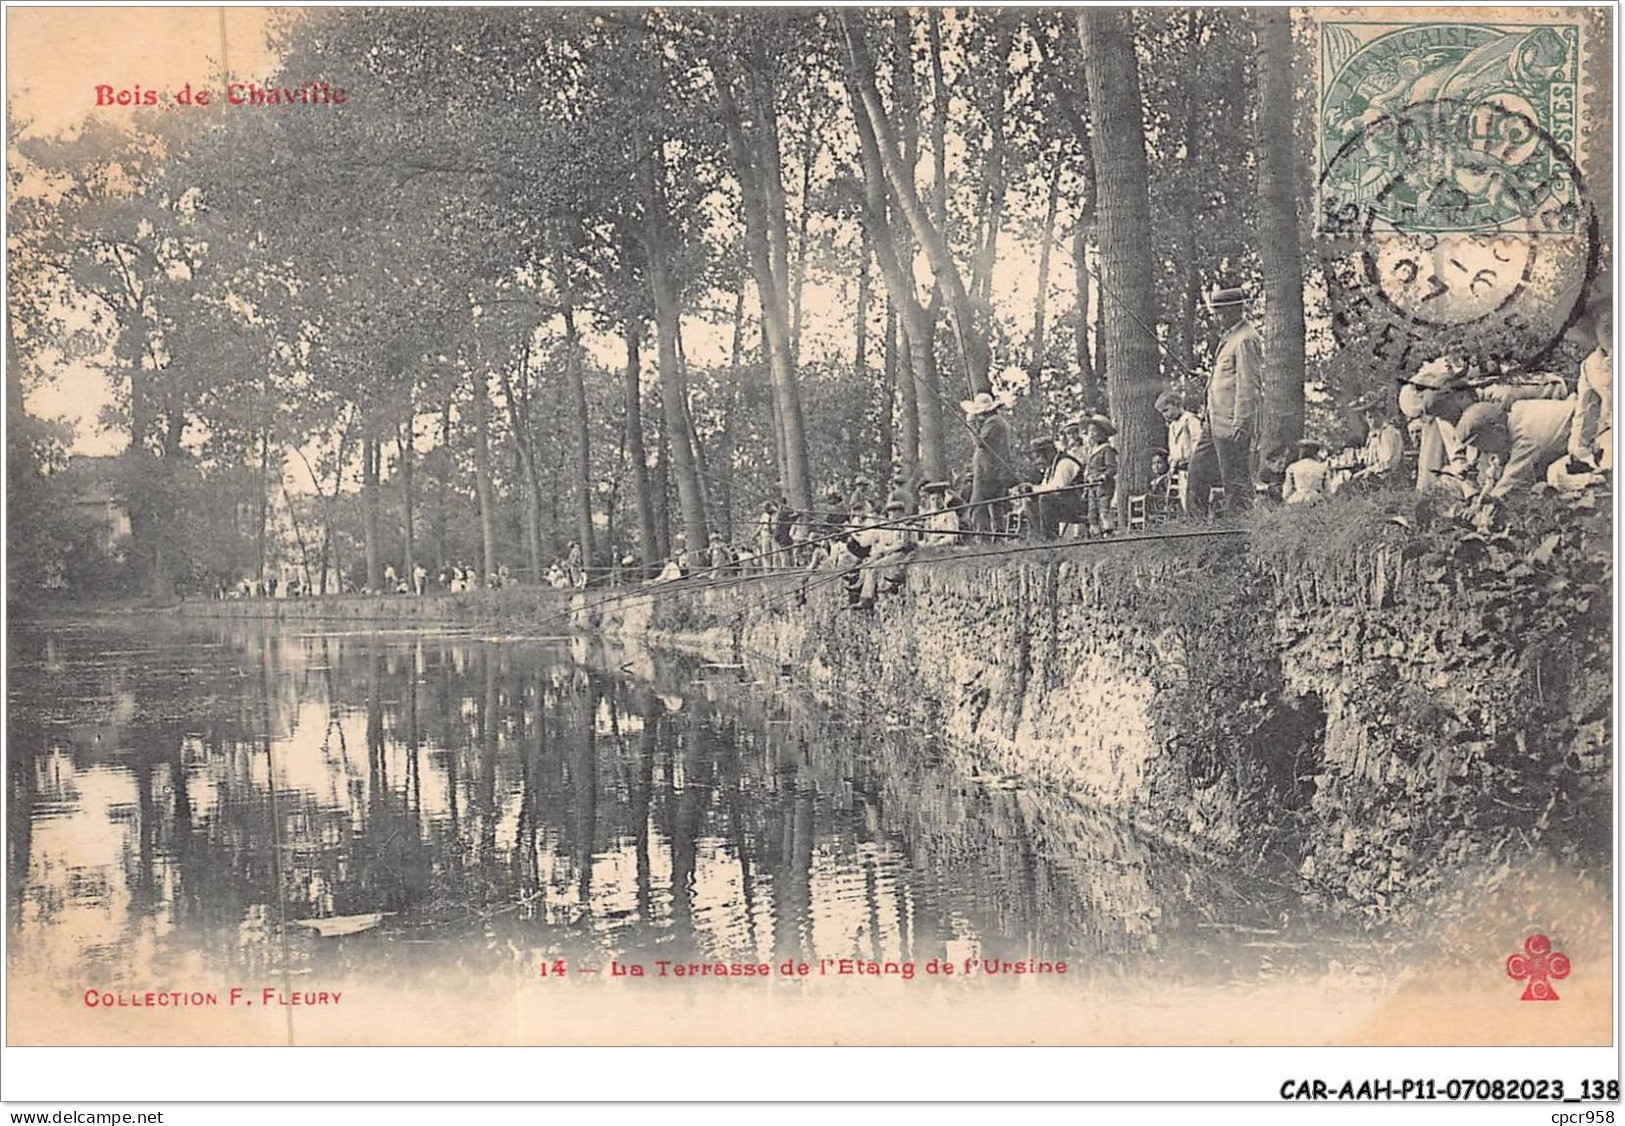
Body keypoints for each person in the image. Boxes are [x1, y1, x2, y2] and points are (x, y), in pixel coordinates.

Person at [1187, 285, 1262, 515]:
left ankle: (1239, 530)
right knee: (1196, 474)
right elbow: (1228, 379)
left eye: (1219, 312)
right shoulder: (1230, 338)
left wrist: (1242, 421)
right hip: (1214, 422)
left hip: (1232, 424)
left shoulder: (1245, 339)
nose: (1217, 317)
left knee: (1236, 482)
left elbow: (1249, 385)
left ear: (1233, 310)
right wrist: (1208, 381)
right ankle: (1196, 530)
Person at [1454, 398, 1577, 498]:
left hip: (1590, 438)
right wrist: (1480, 499)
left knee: (1555, 477)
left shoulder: (1526, 438)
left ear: (1497, 429)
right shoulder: (1515, 413)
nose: (1483, 451)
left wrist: (1481, 511)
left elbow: (1511, 483)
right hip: (1579, 427)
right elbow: (1500, 464)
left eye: (1482, 444)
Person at [1567, 302, 1613, 472]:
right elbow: (1585, 410)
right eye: (1607, 329)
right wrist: (1577, 451)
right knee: (1556, 471)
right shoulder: (1591, 365)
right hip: (1609, 436)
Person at [962, 391, 1014, 538]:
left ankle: (983, 538)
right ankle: (999, 537)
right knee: (996, 505)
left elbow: (979, 442)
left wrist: (970, 424)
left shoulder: (994, 422)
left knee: (977, 506)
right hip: (995, 469)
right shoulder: (997, 422)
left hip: (987, 471)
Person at [1024, 436, 1085, 541]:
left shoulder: (1064, 463)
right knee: (1029, 501)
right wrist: (1030, 491)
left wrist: (1033, 490)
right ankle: (1038, 537)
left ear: (1048, 453)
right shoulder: (1050, 466)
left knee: (1045, 499)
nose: (1038, 461)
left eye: (1039, 456)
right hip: (1063, 503)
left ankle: (1050, 538)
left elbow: (1056, 488)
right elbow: (1044, 486)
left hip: (1078, 504)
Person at [1155, 389, 1203, 511]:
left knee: (1195, 496)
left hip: (1192, 465)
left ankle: (1199, 520)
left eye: (1166, 410)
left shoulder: (1190, 420)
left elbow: (1197, 441)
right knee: (1183, 497)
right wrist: (1172, 462)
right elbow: (1173, 448)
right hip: (1179, 468)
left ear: (1177, 404)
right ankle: (1189, 520)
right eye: (1162, 413)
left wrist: (1192, 458)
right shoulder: (1172, 426)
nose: (1165, 415)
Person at [1079, 415, 1120, 535]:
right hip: (1092, 486)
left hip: (1103, 485)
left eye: (1094, 431)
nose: (1091, 434)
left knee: (1104, 509)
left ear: (1103, 433)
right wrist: (1087, 478)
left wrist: (1103, 476)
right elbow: (1089, 468)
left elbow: (1112, 467)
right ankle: (1095, 533)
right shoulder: (1091, 451)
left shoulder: (1106, 450)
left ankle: (1108, 531)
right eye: (1089, 431)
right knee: (1092, 510)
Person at [1283, 440, 1330, 504]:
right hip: (1316, 500)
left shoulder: (1292, 467)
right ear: (1316, 452)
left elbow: (1287, 492)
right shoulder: (1322, 468)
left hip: (1298, 499)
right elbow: (1328, 491)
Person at [919, 480, 960, 546]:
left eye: (938, 499)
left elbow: (952, 536)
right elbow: (927, 537)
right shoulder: (929, 515)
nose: (935, 502)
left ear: (943, 499)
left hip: (944, 546)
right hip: (930, 546)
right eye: (933, 499)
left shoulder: (949, 513)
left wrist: (938, 543)